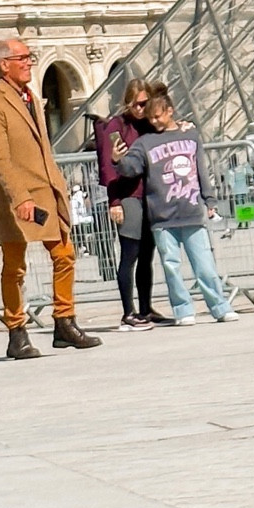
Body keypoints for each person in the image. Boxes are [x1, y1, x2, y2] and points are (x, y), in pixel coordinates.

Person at [0, 37, 101, 359]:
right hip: (16, 197)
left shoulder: (31, 96)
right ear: (4, 64)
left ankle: (64, 322)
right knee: (15, 267)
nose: (30, 62)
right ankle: (16, 332)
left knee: (64, 255)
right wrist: (20, 197)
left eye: (30, 57)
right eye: (23, 57)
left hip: (46, 191)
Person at [121, 85, 235, 323]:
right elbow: (131, 169)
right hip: (162, 217)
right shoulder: (146, 143)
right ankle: (183, 310)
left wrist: (209, 199)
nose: (153, 120)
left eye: (157, 115)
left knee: (205, 265)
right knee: (171, 267)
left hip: (191, 211)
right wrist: (117, 160)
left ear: (170, 111)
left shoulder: (190, 135)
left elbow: (201, 170)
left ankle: (220, 307)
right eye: (150, 117)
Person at [95, 78, 164, 329]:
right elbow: (108, 167)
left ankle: (146, 308)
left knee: (147, 255)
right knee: (129, 255)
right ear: (127, 103)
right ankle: (128, 312)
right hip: (128, 198)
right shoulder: (116, 126)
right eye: (136, 104)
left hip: (150, 197)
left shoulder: (149, 124)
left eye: (145, 104)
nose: (140, 109)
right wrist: (114, 201)